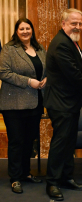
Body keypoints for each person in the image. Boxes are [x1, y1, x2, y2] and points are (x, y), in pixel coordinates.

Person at [44, 8, 82, 201]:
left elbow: (77, 61)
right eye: (74, 23)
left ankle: (66, 177)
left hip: (69, 102)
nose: (78, 27)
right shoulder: (61, 44)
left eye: (80, 23)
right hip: (61, 103)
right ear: (63, 24)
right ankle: (52, 183)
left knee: (68, 143)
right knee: (60, 143)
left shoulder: (70, 41)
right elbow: (74, 75)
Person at [0, 18, 47, 194]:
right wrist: (28, 81)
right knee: (16, 141)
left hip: (35, 102)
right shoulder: (9, 49)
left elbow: (48, 68)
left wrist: (46, 78)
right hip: (13, 103)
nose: (25, 31)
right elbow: (3, 72)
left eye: (28, 28)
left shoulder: (40, 49)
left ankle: (26, 173)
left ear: (32, 30)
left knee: (29, 141)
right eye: (22, 29)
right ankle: (15, 178)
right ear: (16, 31)